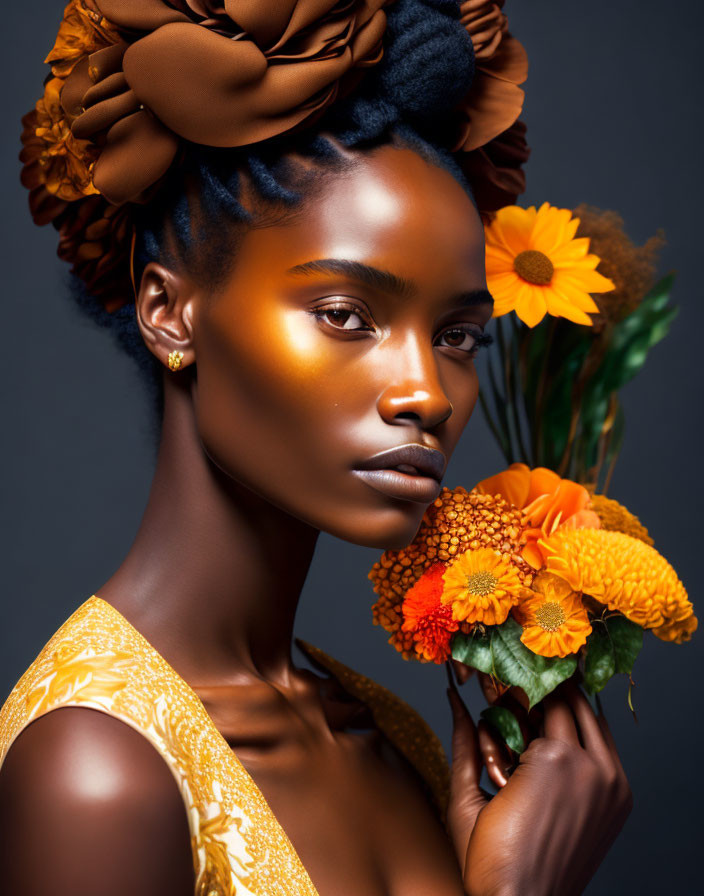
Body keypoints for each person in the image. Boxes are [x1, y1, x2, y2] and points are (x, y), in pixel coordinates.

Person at [0, 2, 632, 894]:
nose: (425, 393)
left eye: (456, 335)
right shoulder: (98, 774)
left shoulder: (390, 734)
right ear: (167, 312)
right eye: (346, 315)